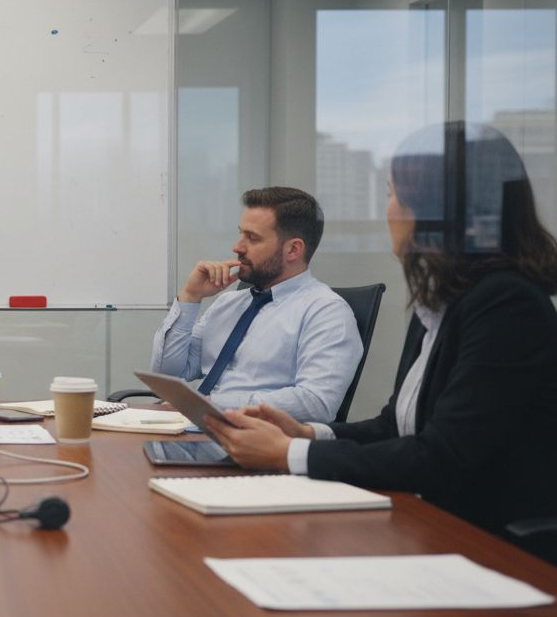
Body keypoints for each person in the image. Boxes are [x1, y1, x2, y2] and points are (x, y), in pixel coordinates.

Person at [208, 123, 557, 535]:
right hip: (425, 518)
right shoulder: (444, 300)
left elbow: (443, 456)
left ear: (434, 209)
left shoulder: (506, 305)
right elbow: (395, 426)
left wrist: (290, 454)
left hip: (482, 539)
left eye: (392, 195)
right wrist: (308, 433)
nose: (388, 210)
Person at [151, 187, 362, 422]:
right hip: (192, 430)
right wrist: (190, 297)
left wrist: (214, 405)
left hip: (254, 445)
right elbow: (169, 374)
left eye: (252, 238)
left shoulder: (326, 312)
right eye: (241, 234)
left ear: (293, 249)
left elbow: (316, 404)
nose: (238, 247)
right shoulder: (229, 303)